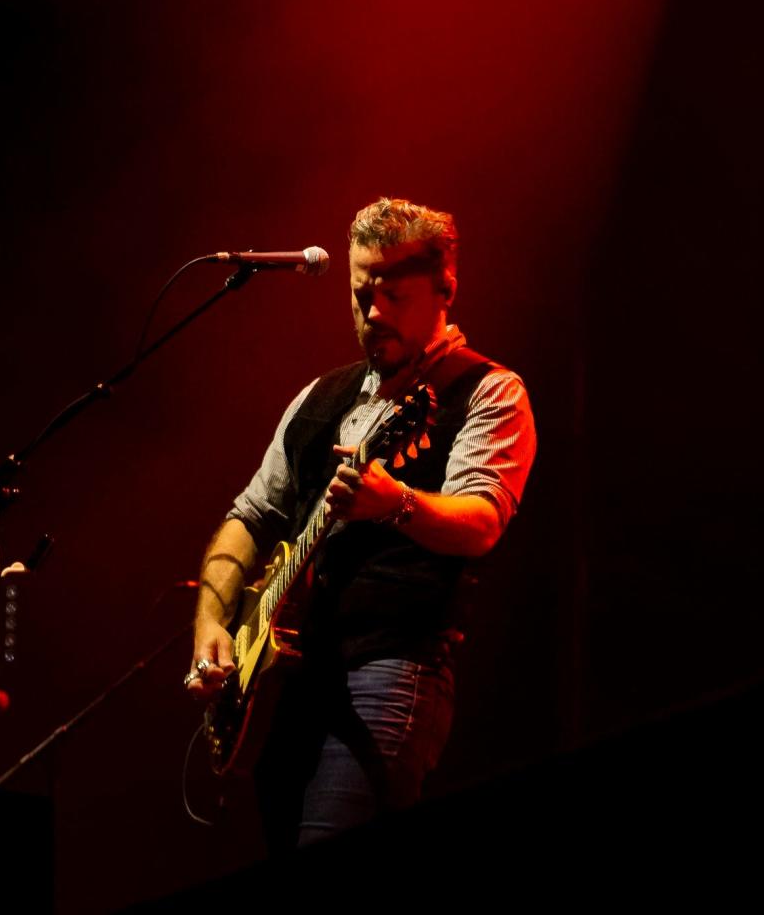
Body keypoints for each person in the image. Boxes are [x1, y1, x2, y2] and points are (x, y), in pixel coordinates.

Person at [184, 195, 537, 848]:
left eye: (393, 295)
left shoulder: (490, 392)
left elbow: (482, 520)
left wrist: (396, 501)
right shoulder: (318, 397)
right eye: (359, 293)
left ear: (445, 288)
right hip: (292, 685)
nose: (372, 314)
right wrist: (211, 620)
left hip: (391, 669)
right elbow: (248, 517)